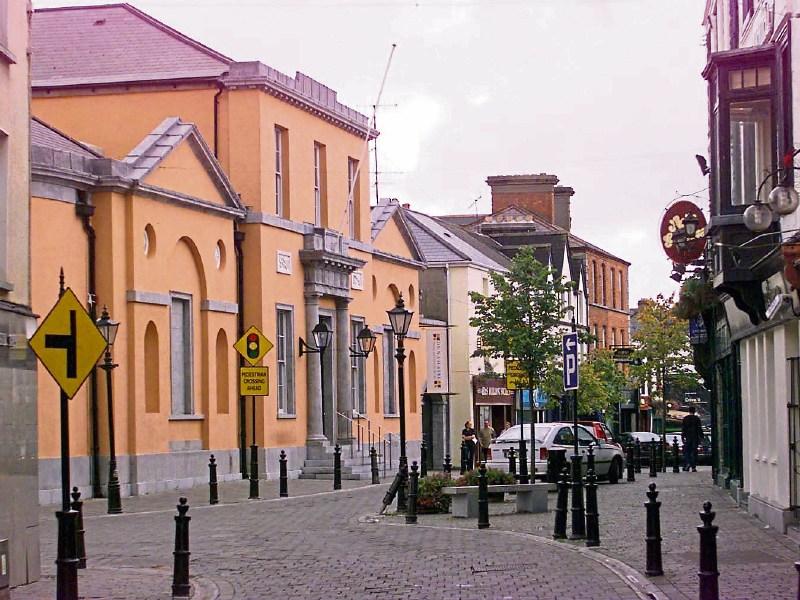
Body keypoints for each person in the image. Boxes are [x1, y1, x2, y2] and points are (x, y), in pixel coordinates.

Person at [681, 406, 703, 472]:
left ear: (689, 411)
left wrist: (683, 437)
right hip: (695, 437)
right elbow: (699, 428)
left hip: (688, 437)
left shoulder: (685, 418)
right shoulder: (697, 418)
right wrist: (701, 436)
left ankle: (688, 463)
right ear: (694, 411)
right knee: (694, 452)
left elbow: (683, 429)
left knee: (687, 452)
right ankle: (693, 466)